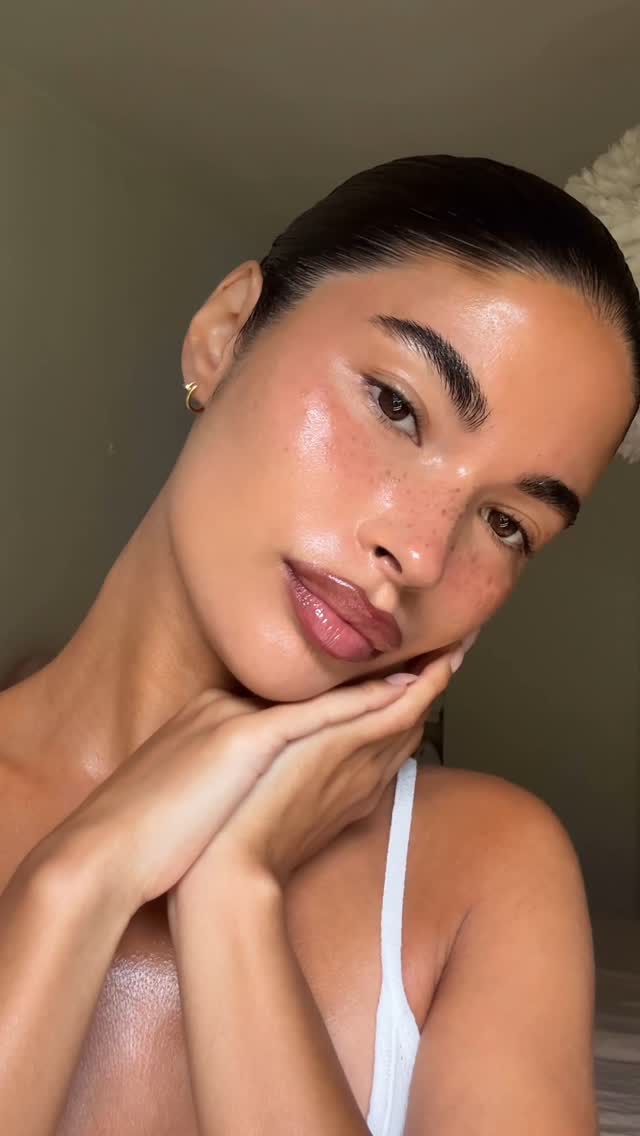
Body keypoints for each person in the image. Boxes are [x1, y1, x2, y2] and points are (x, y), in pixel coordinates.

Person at [0, 153, 637, 1136]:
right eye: (396, 405)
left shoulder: (487, 870)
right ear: (224, 334)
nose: (420, 553)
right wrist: (76, 885)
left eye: (508, 523)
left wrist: (234, 892)